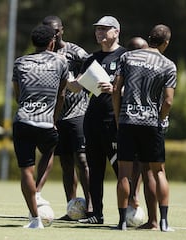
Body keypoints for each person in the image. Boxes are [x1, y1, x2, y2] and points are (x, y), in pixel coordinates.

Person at [113, 24, 176, 231]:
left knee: (124, 172)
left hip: (127, 121)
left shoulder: (128, 57)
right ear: (166, 42)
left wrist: (118, 115)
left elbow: (116, 89)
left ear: (149, 38)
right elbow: (167, 101)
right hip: (151, 123)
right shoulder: (168, 65)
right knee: (158, 172)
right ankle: (163, 222)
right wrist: (160, 119)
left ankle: (122, 222)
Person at [68, 15, 126, 224]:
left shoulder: (125, 57)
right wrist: (64, 78)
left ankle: (127, 213)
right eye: (97, 30)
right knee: (94, 169)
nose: (99, 33)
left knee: (122, 169)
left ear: (116, 32)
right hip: (91, 121)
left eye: (104, 29)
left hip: (114, 121)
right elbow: (77, 86)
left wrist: (116, 89)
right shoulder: (91, 59)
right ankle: (96, 214)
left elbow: (133, 87)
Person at [11, 24, 68, 229]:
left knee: (26, 170)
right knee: (49, 151)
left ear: (33, 42)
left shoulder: (20, 62)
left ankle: (35, 219)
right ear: (52, 42)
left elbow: (18, 95)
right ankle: (38, 191)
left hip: (23, 120)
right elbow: (61, 94)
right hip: (46, 122)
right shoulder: (61, 61)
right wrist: (54, 119)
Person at [41, 15, 92, 220]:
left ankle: (90, 207)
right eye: (48, 31)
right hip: (57, 115)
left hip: (79, 112)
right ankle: (72, 208)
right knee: (66, 163)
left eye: (55, 30)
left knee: (82, 159)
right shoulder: (43, 53)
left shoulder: (74, 51)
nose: (52, 34)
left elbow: (93, 65)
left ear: (62, 30)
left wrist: (79, 82)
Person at [125, 36, 149, 209]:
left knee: (143, 164)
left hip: (146, 121)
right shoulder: (123, 65)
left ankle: (134, 196)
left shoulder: (153, 68)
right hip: (124, 120)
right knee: (128, 164)